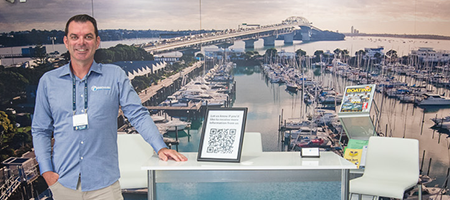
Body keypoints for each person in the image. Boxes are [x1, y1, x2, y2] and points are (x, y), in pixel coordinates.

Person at [31, 14, 187, 200]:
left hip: (104, 186)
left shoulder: (115, 76)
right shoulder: (49, 81)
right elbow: (40, 130)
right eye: (75, 37)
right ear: (66, 41)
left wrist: (160, 147)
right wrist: (46, 171)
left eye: (88, 36)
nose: (81, 42)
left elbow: (137, 114)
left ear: (97, 42)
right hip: (63, 184)